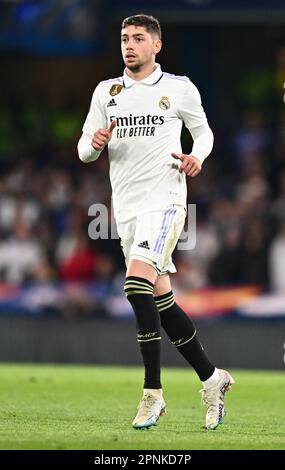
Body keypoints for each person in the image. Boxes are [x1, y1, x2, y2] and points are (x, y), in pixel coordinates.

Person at [78, 14, 234, 430]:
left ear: (156, 45)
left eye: (138, 38)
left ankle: (153, 393)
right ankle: (212, 378)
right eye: (124, 38)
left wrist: (197, 155)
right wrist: (93, 145)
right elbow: (83, 150)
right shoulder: (106, 92)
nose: (129, 45)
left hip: (165, 202)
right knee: (161, 305)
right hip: (125, 209)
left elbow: (204, 133)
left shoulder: (178, 89)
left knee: (134, 285)